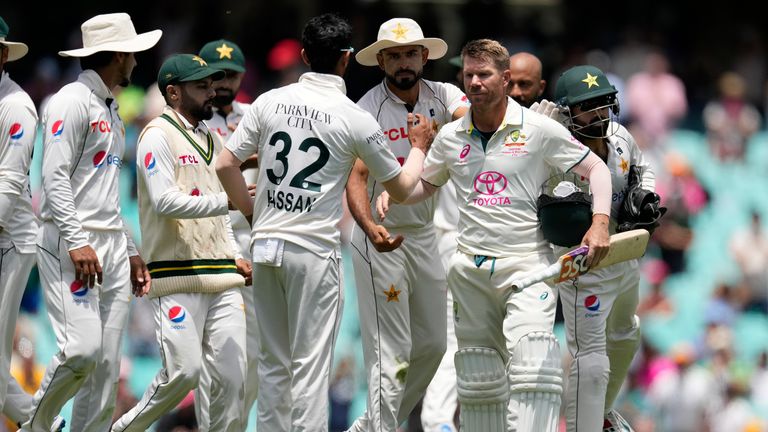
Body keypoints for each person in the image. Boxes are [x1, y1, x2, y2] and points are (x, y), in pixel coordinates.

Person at [376, 39, 613, 432]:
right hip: (470, 270)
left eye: (484, 75)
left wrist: (600, 222)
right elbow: (423, 189)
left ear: (504, 79)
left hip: (527, 267)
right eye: (469, 75)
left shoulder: (539, 129)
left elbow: (597, 171)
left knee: (535, 368)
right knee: (479, 380)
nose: (475, 83)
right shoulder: (452, 136)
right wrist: (394, 191)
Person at [215, 13, 436, 431]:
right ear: (347, 59)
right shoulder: (353, 116)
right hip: (313, 252)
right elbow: (405, 188)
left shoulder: (268, 101)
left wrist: (252, 213)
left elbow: (226, 165)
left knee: (273, 365)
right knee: (310, 369)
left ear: (303, 55)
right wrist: (420, 146)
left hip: (264, 246)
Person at [21, 13, 158, 432]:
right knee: (81, 350)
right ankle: (35, 424)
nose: (137, 60)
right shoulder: (69, 101)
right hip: (71, 242)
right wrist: (79, 241)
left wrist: (131, 251)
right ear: (118, 54)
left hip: (112, 245)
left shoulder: (111, 108)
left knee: (104, 367)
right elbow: (53, 177)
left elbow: (107, 193)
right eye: (132, 52)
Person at [111, 53, 250, 432]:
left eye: (212, 84)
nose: (212, 91)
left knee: (234, 380)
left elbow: (216, 208)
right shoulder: (156, 134)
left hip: (221, 275)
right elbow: (164, 201)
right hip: (177, 274)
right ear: (174, 92)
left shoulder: (209, 136)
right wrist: (230, 200)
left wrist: (236, 254)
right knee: (184, 374)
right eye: (201, 86)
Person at [345, 17, 469, 432]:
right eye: (394, 55)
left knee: (434, 347)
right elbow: (357, 177)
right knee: (392, 352)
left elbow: (473, 122)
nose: (403, 63)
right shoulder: (367, 110)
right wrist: (367, 225)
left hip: (424, 234)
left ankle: (374, 424)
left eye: (410, 53)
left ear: (424, 56)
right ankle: (381, 427)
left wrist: (431, 149)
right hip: (380, 239)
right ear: (381, 61)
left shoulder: (445, 94)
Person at [532, 64, 657, 431]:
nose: (599, 114)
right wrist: (530, 131)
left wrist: (645, 193)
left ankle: (598, 416)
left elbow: (644, 167)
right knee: (591, 360)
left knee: (627, 333)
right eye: (589, 107)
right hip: (582, 267)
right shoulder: (551, 147)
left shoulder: (620, 137)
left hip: (623, 252)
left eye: (604, 104)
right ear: (568, 111)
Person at [0, 16, 66, 432]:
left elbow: (7, 185)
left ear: (3, 54)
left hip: (10, 241)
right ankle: (46, 425)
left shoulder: (16, 106)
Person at [197, 37, 260, 430]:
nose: (222, 83)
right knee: (215, 359)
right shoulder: (191, 122)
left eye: (230, 75)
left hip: (252, 243)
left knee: (252, 355)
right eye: (215, 75)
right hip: (209, 245)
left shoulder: (256, 114)